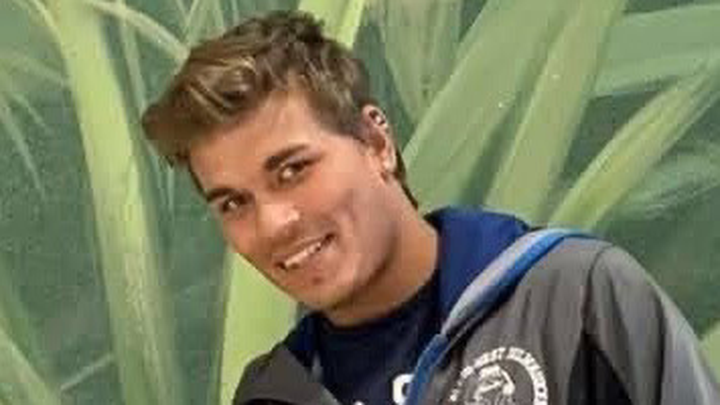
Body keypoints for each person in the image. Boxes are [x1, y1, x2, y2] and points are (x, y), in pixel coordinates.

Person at [141, 10, 720, 405]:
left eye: (293, 170)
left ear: (376, 142)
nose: (273, 223)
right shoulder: (274, 393)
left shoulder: (575, 295)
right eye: (233, 202)